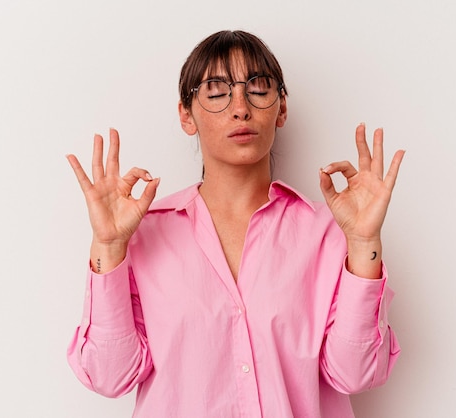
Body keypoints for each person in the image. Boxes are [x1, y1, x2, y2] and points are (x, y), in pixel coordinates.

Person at [66, 30, 404, 418]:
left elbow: (355, 375)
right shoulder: (144, 236)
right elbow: (110, 377)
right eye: (216, 91)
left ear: (281, 109)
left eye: (258, 89)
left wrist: (363, 243)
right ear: (185, 115)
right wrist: (108, 248)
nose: (240, 107)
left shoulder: (327, 233)